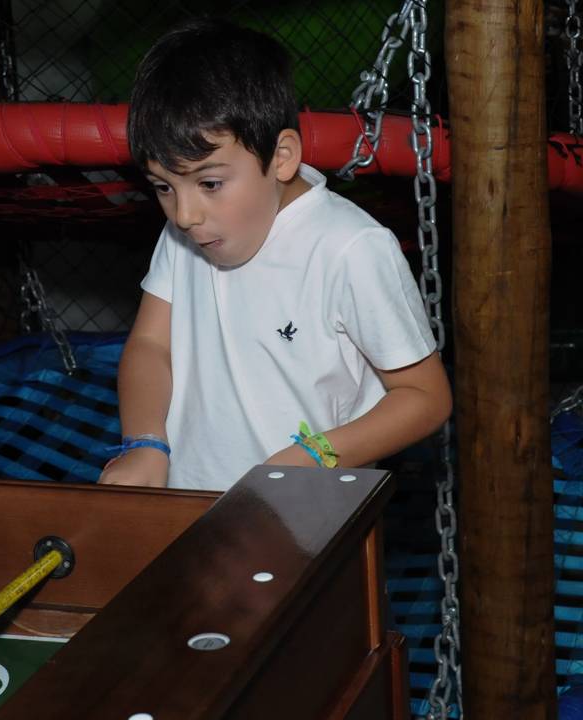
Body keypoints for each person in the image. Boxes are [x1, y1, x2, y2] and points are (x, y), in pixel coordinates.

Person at [98, 19, 452, 491]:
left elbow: (425, 398)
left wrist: (314, 455)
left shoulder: (350, 248)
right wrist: (144, 442)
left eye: (209, 183)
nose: (184, 214)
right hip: (188, 505)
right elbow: (151, 345)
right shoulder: (187, 233)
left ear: (282, 156)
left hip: (310, 524)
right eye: (163, 186)